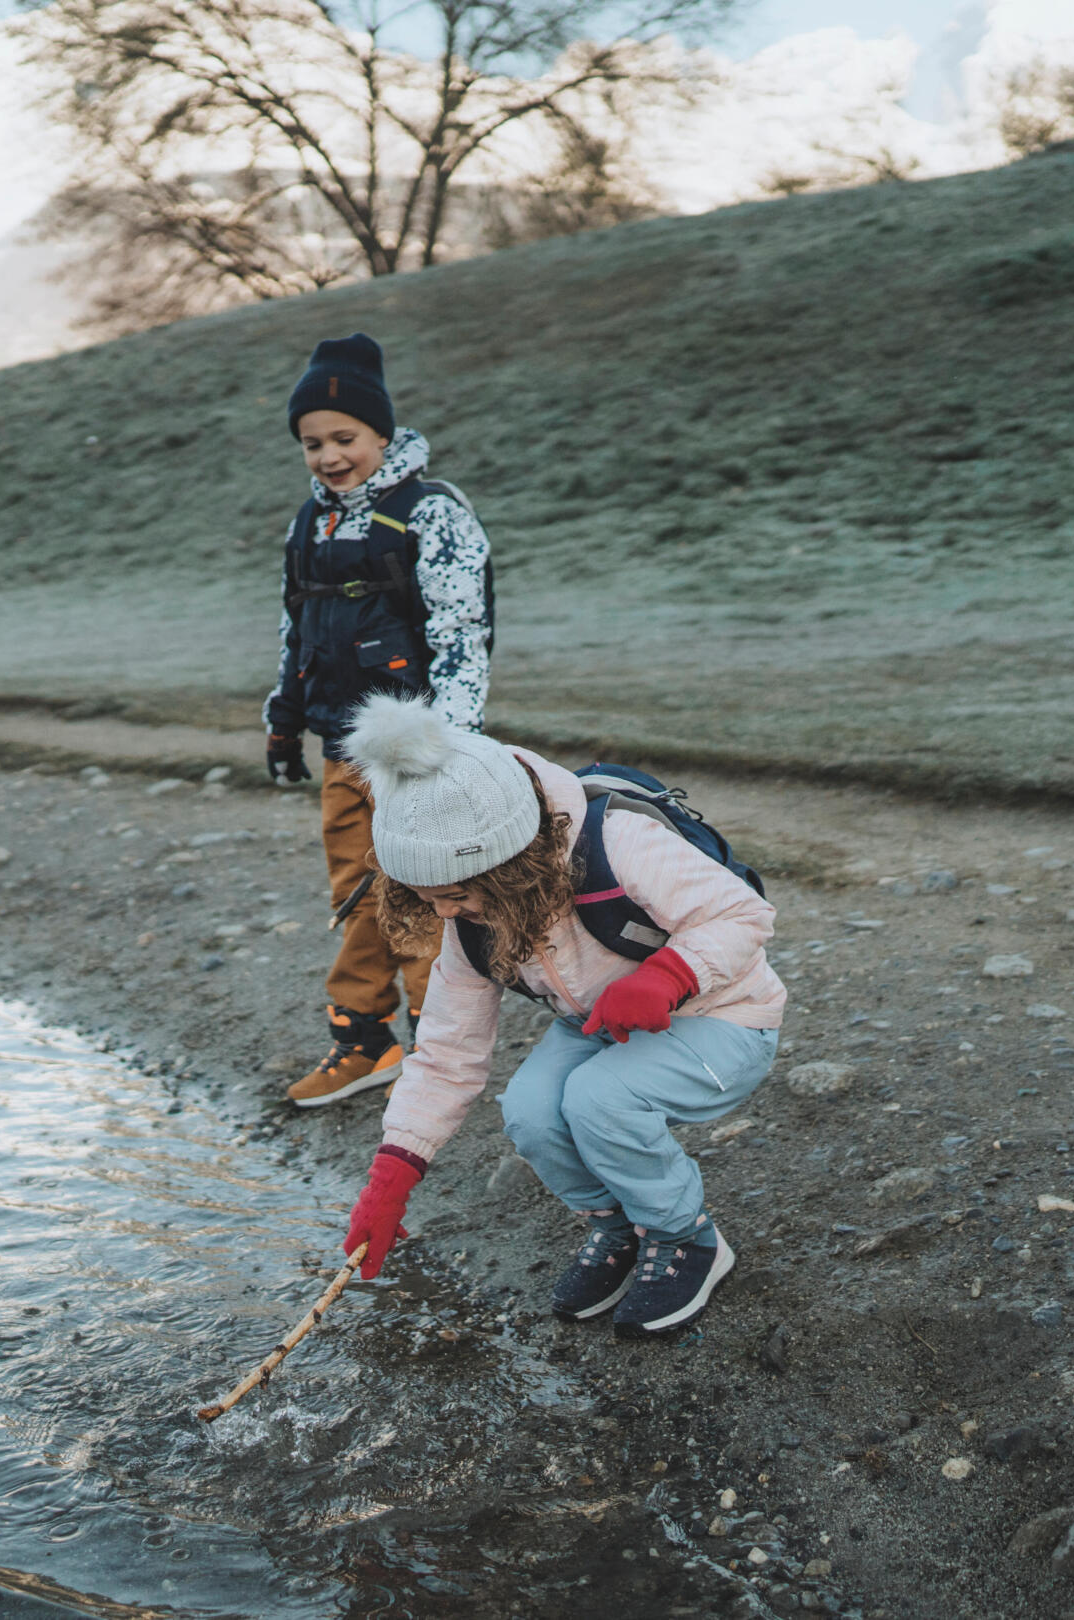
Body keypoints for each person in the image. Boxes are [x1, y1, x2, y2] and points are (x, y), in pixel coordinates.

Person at [338, 694, 784, 1338]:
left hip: (725, 1011)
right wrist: (392, 1175)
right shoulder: (470, 922)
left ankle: (685, 1238)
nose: (443, 914)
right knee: (530, 1109)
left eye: (456, 895)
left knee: (599, 1100)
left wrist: (669, 974)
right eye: (425, 898)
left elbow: (744, 914)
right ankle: (619, 1225)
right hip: (599, 1023)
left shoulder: (620, 843)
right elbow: (446, 1052)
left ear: (510, 867)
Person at [265, 333, 493, 1109]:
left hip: (417, 756)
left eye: (344, 438)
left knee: (428, 892)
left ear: (382, 435)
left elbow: (462, 632)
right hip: (339, 746)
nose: (329, 456)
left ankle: (442, 1045)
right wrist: (283, 719)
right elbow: (296, 628)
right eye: (312, 443)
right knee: (360, 894)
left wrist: (455, 741)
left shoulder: (430, 514)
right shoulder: (310, 525)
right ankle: (365, 1042)